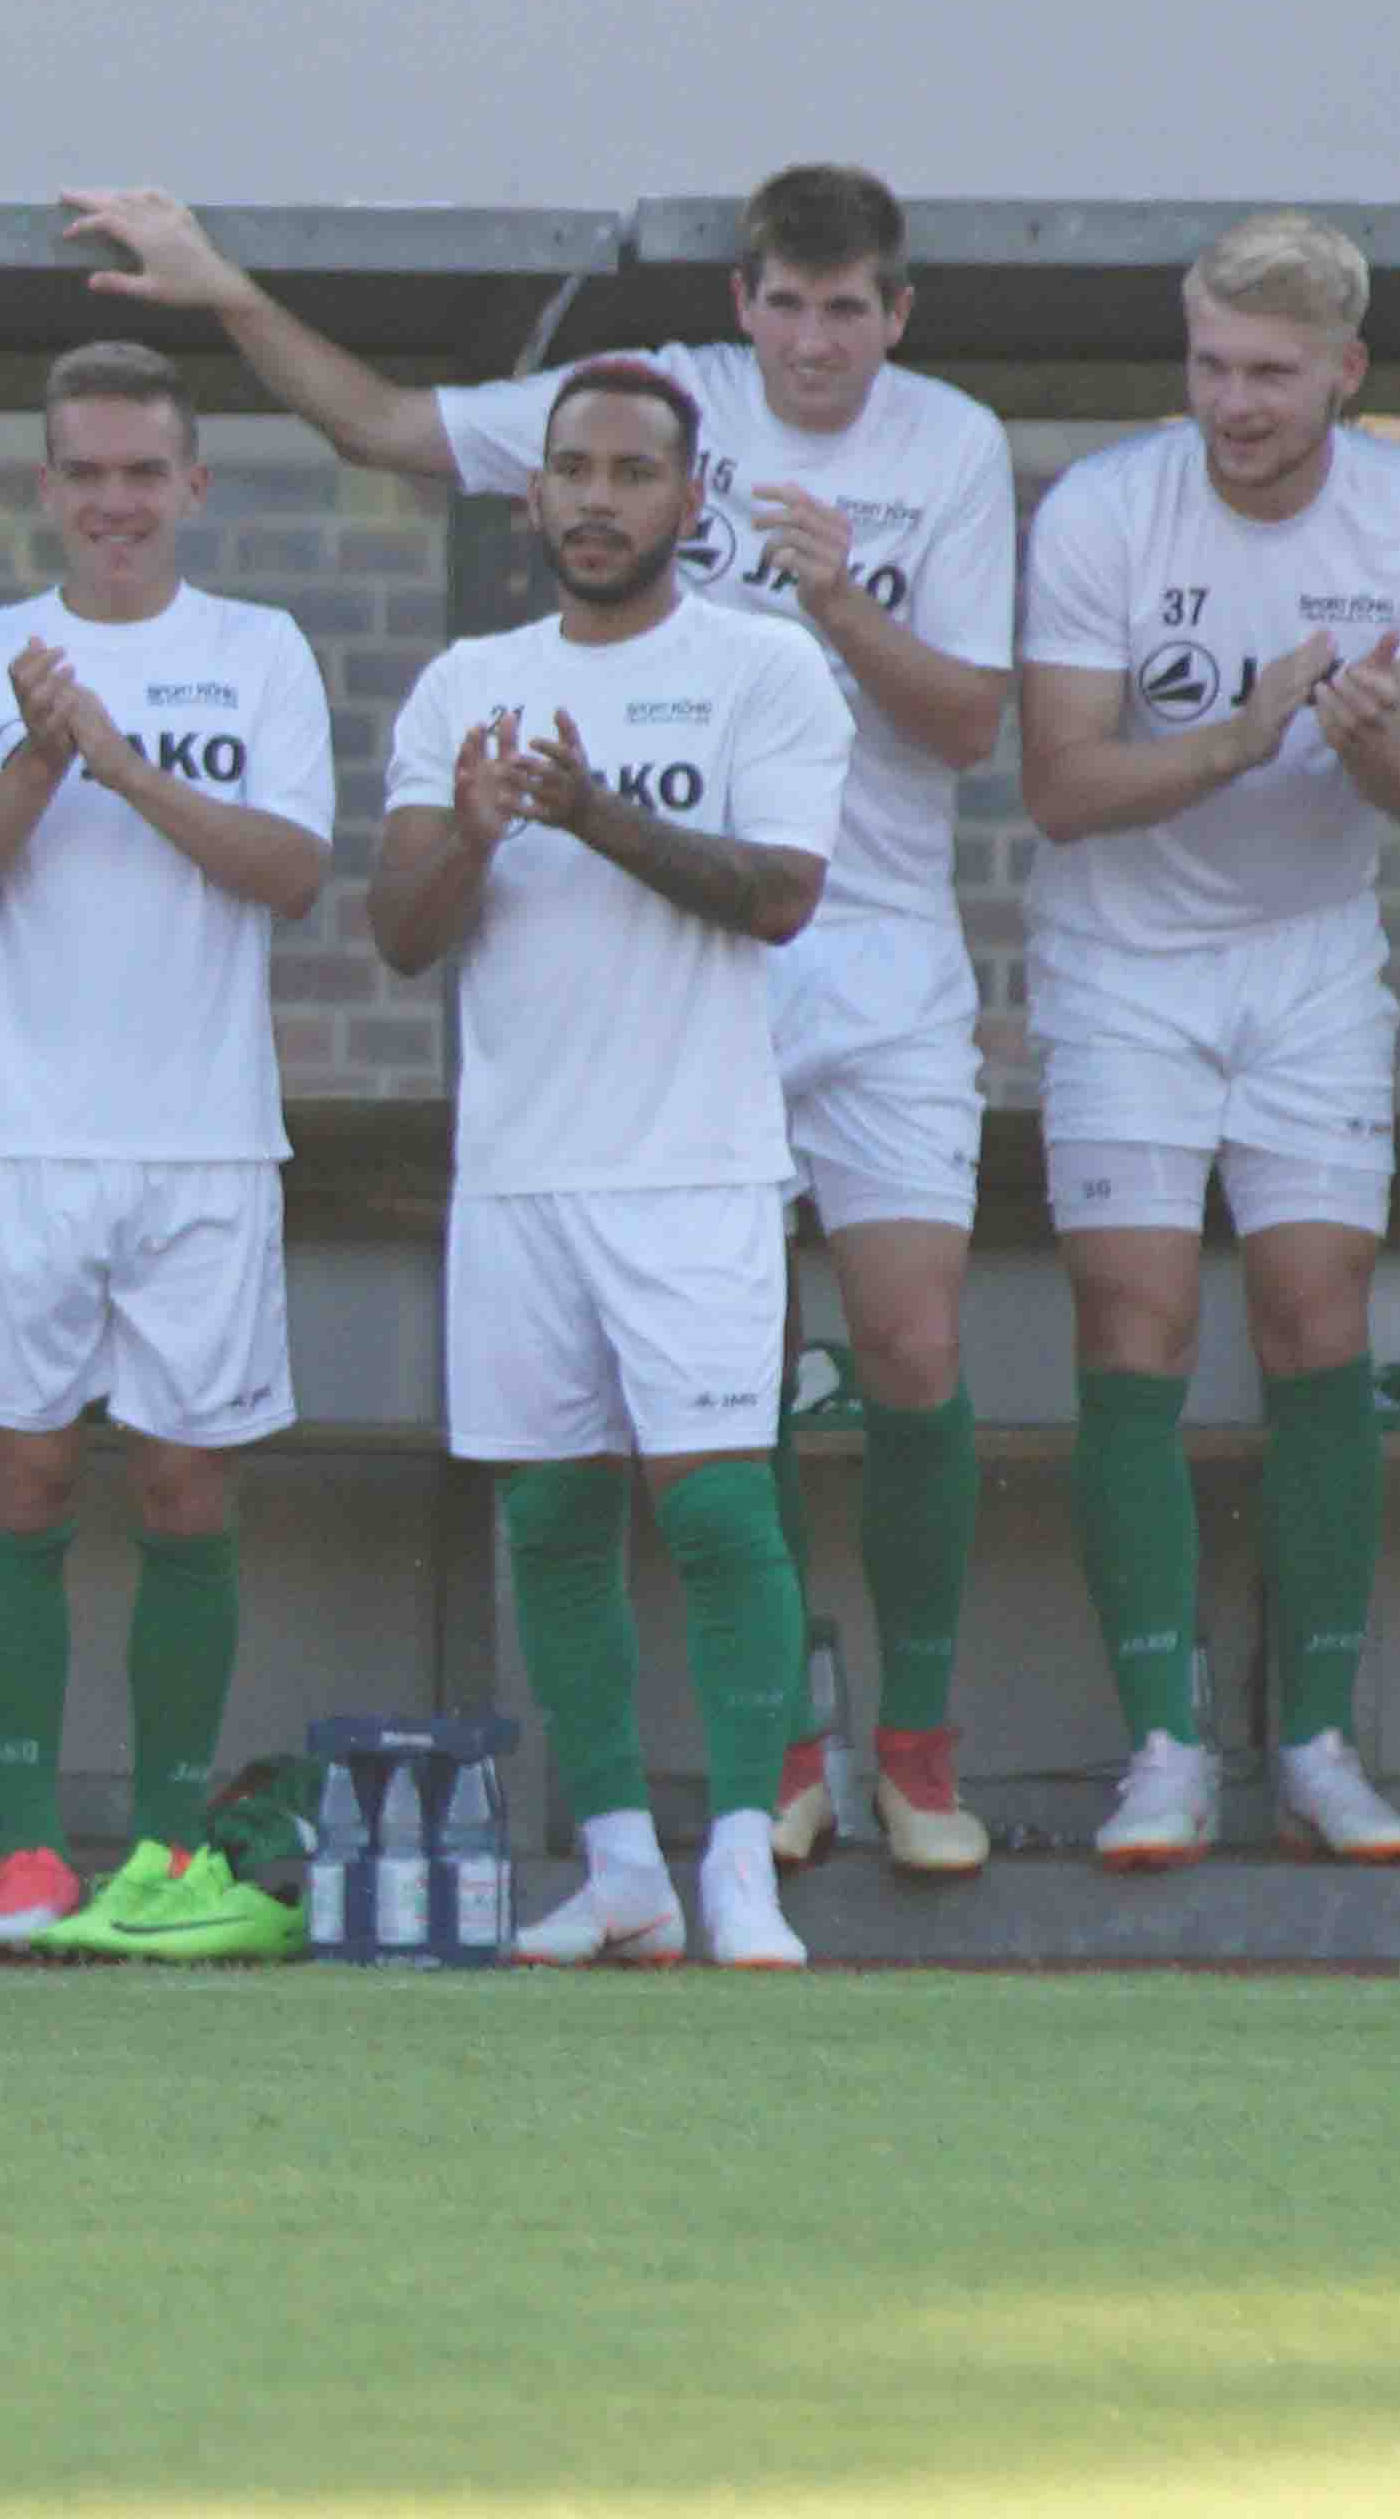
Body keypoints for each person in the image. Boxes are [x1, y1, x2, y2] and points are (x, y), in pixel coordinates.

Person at [74, 167, 1016, 1878]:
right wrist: (220, 282)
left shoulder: (950, 446)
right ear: (742, 302)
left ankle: (918, 1744)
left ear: (896, 313)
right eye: (785, 304)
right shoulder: (636, 411)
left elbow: (967, 728)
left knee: (909, 1347)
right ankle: (769, 1768)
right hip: (633, 989)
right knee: (704, 1408)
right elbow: (380, 424)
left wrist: (837, 599)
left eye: (846, 308)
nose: (812, 340)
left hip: (864, 940)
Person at [1016, 214, 1400, 1872]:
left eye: (1271, 373)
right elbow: (1060, 786)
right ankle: (1163, 1745)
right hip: (1124, 965)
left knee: (1316, 1311)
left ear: (1346, 370)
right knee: (1132, 1318)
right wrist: (1242, 733)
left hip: (1312, 962)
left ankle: (1317, 1745)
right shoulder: (1102, 509)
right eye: (1211, 365)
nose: (1234, 403)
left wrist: (1365, 741)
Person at [373, 363, 844, 1971]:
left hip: (696, 1166)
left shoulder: (761, 669)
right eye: (571, 470)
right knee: (557, 1527)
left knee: (718, 1515)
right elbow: (399, 935)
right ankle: (624, 1865)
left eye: (632, 473)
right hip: (519, 1174)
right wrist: (476, 830)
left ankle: (743, 1862)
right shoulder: (466, 684)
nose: (595, 498)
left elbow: (779, 896)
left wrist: (592, 813)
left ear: (690, 501)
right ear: (533, 498)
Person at [0, 342, 332, 1962]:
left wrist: (120, 761)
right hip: (26, 1140)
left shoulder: (260, 651)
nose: (115, 502)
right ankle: (24, 1848)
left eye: (144, 472)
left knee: (182, 1483)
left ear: (193, 484)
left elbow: (291, 871)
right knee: (18, 1476)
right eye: (84, 472)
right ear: (46, 488)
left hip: (206, 1142)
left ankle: (165, 1848)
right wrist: (38, 756)